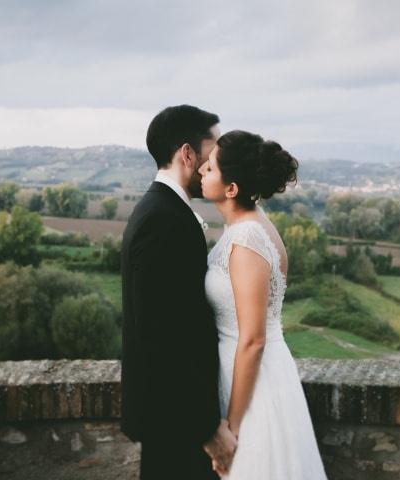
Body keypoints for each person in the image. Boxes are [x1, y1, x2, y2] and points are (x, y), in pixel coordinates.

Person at [199, 130, 328, 479]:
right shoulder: (254, 226)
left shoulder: (248, 239)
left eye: (209, 169)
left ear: (231, 188)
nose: (200, 172)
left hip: (253, 390)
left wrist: (233, 426)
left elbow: (253, 339)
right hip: (255, 373)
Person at [120, 105, 237, 479]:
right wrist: (206, 428)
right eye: (213, 150)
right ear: (188, 153)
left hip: (174, 415)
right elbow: (164, 336)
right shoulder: (162, 220)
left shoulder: (166, 211)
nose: (216, 160)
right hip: (175, 420)